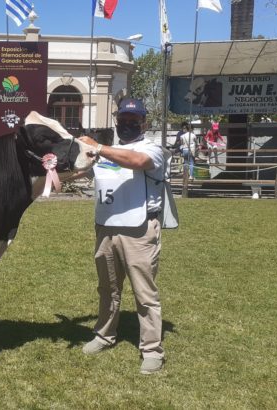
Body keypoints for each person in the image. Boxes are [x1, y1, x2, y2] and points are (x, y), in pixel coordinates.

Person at [77, 98, 166, 375]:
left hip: (138, 229)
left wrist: (98, 147)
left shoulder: (151, 148)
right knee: (108, 288)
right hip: (106, 227)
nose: (126, 124)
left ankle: (152, 350)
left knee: (144, 292)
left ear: (144, 123)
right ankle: (105, 335)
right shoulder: (104, 152)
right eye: (123, 119)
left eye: (133, 120)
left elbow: (138, 161)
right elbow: (80, 169)